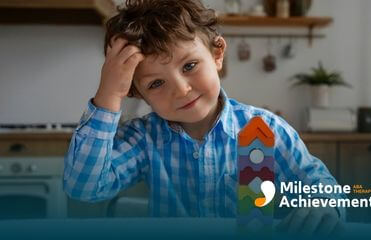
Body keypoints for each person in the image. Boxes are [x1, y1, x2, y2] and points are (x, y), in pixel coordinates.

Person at [63, 0, 345, 236]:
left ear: (217, 53)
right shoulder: (144, 138)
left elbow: (322, 188)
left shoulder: (264, 130)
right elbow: (84, 188)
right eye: (156, 84)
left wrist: (323, 205)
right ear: (137, 94)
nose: (181, 89)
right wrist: (110, 94)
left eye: (190, 65)